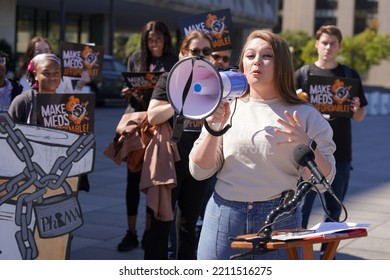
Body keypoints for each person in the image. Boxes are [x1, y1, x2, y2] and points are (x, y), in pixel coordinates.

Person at [188, 29, 336, 260]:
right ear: (242, 64)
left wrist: (307, 145)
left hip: (280, 220)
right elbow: (199, 171)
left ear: (282, 64)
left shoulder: (306, 115)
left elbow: (324, 183)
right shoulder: (226, 106)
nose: (257, 61)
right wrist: (213, 129)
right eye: (250, 55)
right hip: (224, 217)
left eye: (267, 55)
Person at [295, 26, 368, 240]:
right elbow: (287, 112)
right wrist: (297, 100)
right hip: (307, 155)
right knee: (300, 210)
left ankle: (328, 258)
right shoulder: (303, 74)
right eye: (324, 42)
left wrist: (356, 109)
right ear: (316, 44)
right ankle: (299, 253)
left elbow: (360, 115)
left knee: (334, 212)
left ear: (339, 46)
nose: (328, 47)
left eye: (332, 43)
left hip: (341, 154)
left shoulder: (348, 75)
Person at [146, 30, 212, 260]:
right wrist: (180, 102)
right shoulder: (170, 78)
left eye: (206, 51)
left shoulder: (213, 81)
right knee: (161, 223)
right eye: (195, 51)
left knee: (189, 225)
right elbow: (152, 116)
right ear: (184, 53)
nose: (200, 55)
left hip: (200, 162)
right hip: (171, 160)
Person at [117, 20, 178, 252]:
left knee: (153, 180)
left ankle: (148, 232)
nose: (154, 44)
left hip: (161, 126)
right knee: (132, 181)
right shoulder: (136, 58)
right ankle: (130, 232)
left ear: (166, 39)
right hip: (137, 123)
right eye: (150, 40)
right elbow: (130, 93)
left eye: (158, 40)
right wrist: (128, 92)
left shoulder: (172, 62)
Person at [17, 36, 89, 93]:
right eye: (38, 52)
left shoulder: (64, 78)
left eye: (47, 50)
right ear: (31, 56)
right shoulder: (25, 81)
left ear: (51, 53)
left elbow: (71, 105)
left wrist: (80, 85)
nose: (44, 54)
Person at [8, 53, 62, 123]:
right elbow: (9, 131)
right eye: (46, 73)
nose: (52, 77)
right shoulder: (23, 102)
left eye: (56, 73)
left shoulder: (66, 104)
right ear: (35, 75)